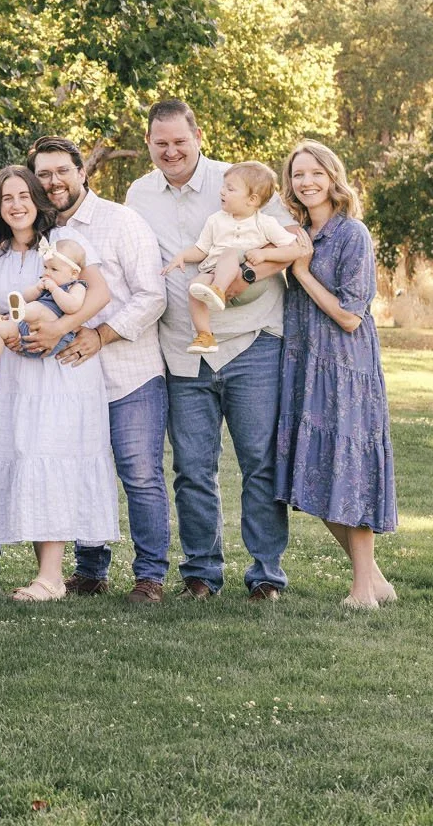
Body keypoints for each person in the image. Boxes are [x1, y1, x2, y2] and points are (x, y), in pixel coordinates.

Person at [124, 98, 308, 600]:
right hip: (183, 351)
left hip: (251, 342)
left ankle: (265, 575)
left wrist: (240, 275)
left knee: (259, 463)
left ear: (198, 136)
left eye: (180, 141)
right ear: (148, 144)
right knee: (192, 468)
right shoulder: (138, 195)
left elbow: (292, 244)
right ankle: (201, 574)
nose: (171, 151)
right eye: (160, 143)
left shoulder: (242, 180)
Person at [0, 164, 120, 603]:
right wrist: (1, 335)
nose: (16, 205)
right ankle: (46, 574)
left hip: (60, 375)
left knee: (48, 456)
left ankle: (52, 578)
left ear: (37, 199)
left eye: (23, 196)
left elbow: (100, 295)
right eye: (7, 198)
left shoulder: (65, 243)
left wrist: (58, 329)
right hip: (14, 372)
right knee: (26, 457)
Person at [27, 137, 170, 602]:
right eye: (43, 174)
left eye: (61, 171)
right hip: (70, 379)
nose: (53, 182)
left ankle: (149, 577)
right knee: (83, 469)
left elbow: (152, 295)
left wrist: (100, 335)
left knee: (140, 473)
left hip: (130, 371)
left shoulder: (120, 221)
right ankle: (90, 571)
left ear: (82, 171)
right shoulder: (41, 233)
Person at [275, 139, 399, 608]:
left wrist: (302, 272)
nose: (305, 182)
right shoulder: (295, 233)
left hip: (346, 368)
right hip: (304, 362)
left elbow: (350, 315)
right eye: (297, 174)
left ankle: (363, 589)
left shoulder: (353, 235)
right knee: (312, 473)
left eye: (315, 174)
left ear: (333, 178)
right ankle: (376, 580)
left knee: (350, 472)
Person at [167, 162, 304, 349]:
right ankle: (205, 336)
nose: (222, 192)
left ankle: (218, 290)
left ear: (252, 199)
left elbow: (294, 249)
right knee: (194, 287)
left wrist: (265, 254)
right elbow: (202, 249)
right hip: (216, 274)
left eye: (230, 189)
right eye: (223, 187)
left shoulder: (265, 223)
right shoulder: (215, 220)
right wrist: (182, 256)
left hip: (250, 282)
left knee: (230, 253)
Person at [0, 244, 89, 369]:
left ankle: (20, 313)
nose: (47, 272)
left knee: (38, 307)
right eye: (45, 267)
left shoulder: (76, 286)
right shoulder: (45, 282)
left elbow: (72, 307)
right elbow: (26, 297)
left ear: (73, 273)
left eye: (53, 269)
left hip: (52, 331)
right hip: (26, 334)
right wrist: (37, 288)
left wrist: (54, 289)